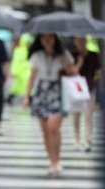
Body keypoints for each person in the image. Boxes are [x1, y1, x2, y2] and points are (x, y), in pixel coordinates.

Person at [23, 33, 75, 177]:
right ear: (40, 39)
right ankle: (52, 161)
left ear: (55, 39)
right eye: (44, 37)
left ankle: (57, 160)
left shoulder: (64, 54)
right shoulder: (37, 55)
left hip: (57, 90)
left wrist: (63, 61)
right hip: (42, 92)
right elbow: (32, 77)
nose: (47, 40)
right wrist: (27, 96)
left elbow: (72, 72)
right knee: (45, 131)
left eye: (50, 37)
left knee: (53, 128)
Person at [71, 36, 101, 152]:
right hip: (76, 89)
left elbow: (98, 72)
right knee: (76, 116)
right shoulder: (72, 55)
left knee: (88, 115)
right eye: (78, 40)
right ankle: (77, 139)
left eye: (82, 40)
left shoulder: (93, 55)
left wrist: (100, 87)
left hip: (89, 88)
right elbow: (71, 71)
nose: (80, 42)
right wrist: (79, 62)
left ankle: (88, 140)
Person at [7, 33, 32, 105]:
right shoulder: (20, 50)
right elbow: (16, 62)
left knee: (26, 87)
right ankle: (10, 99)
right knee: (18, 87)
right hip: (21, 73)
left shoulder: (24, 50)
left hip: (25, 72)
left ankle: (29, 100)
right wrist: (14, 71)